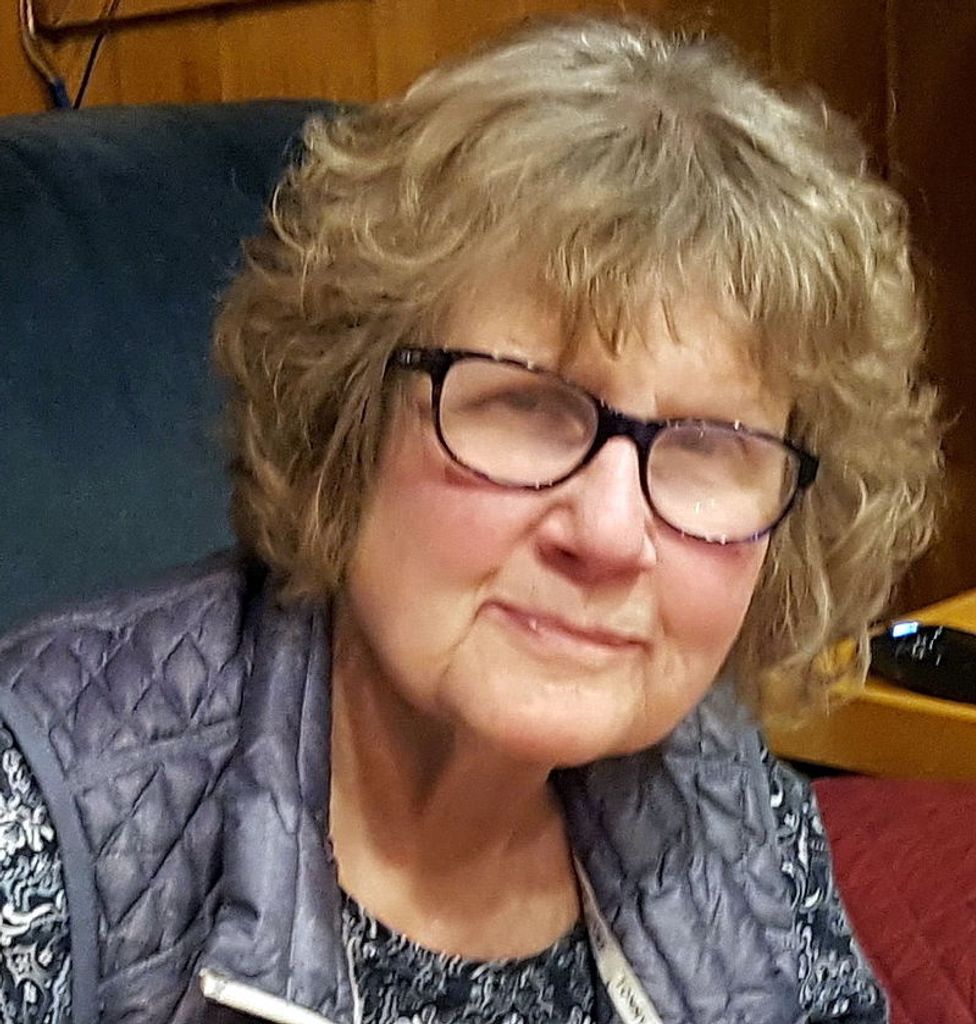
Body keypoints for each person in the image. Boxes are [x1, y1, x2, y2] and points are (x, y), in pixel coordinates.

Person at [0, 14, 940, 1024]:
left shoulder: (733, 802)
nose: (608, 532)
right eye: (527, 406)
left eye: (709, 446)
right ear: (348, 416)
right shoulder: (40, 820)